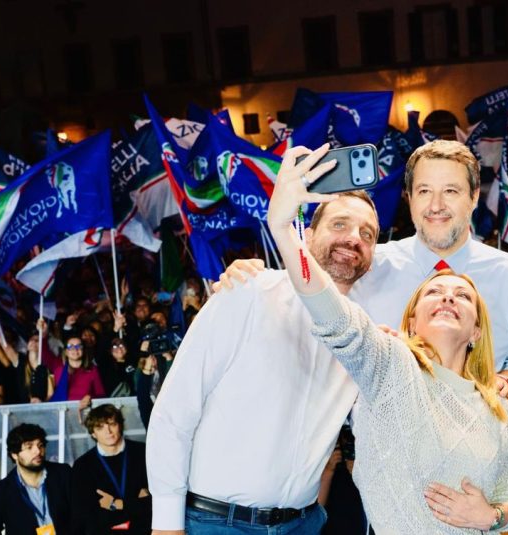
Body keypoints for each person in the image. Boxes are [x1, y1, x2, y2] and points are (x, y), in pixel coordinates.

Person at [265, 144, 508, 532]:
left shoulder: (494, 405)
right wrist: (284, 234)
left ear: (477, 329)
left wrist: (493, 516)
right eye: (433, 292)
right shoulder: (390, 368)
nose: (448, 296)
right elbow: (329, 307)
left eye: (463, 295)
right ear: (410, 322)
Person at [220, 141, 508, 405]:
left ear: (474, 197)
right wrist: (254, 277)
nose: (436, 205)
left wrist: (506, 382)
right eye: (424, 191)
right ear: (410, 198)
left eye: (450, 191)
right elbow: (308, 296)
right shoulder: (367, 263)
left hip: (481, 444)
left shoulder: (506, 272)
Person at [147, 187, 378, 534]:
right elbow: (175, 411)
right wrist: (166, 524)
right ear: (308, 235)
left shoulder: (362, 336)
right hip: (216, 523)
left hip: (303, 523)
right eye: (340, 224)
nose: (354, 238)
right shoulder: (248, 291)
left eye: (367, 234)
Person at [72, 404, 151, 534]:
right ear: (93, 433)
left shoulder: (143, 453)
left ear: (120, 425)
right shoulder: (82, 466)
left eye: (112, 424)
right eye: (100, 427)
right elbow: (86, 514)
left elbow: (155, 504)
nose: (108, 431)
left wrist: (116, 504)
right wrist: (136, 504)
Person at [0, 423, 73, 534]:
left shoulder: (63, 473)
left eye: (40, 445)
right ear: (14, 454)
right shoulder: (1, 491)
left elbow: (81, 513)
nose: (38, 451)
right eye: (29, 447)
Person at [46, 334, 105, 406]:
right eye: (71, 347)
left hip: (86, 410)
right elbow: (53, 397)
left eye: (79, 346)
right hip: (63, 410)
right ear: (66, 351)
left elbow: (101, 395)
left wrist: (90, 397)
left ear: (83, 350)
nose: (75, 349)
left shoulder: (92, 370)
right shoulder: (59, 371)